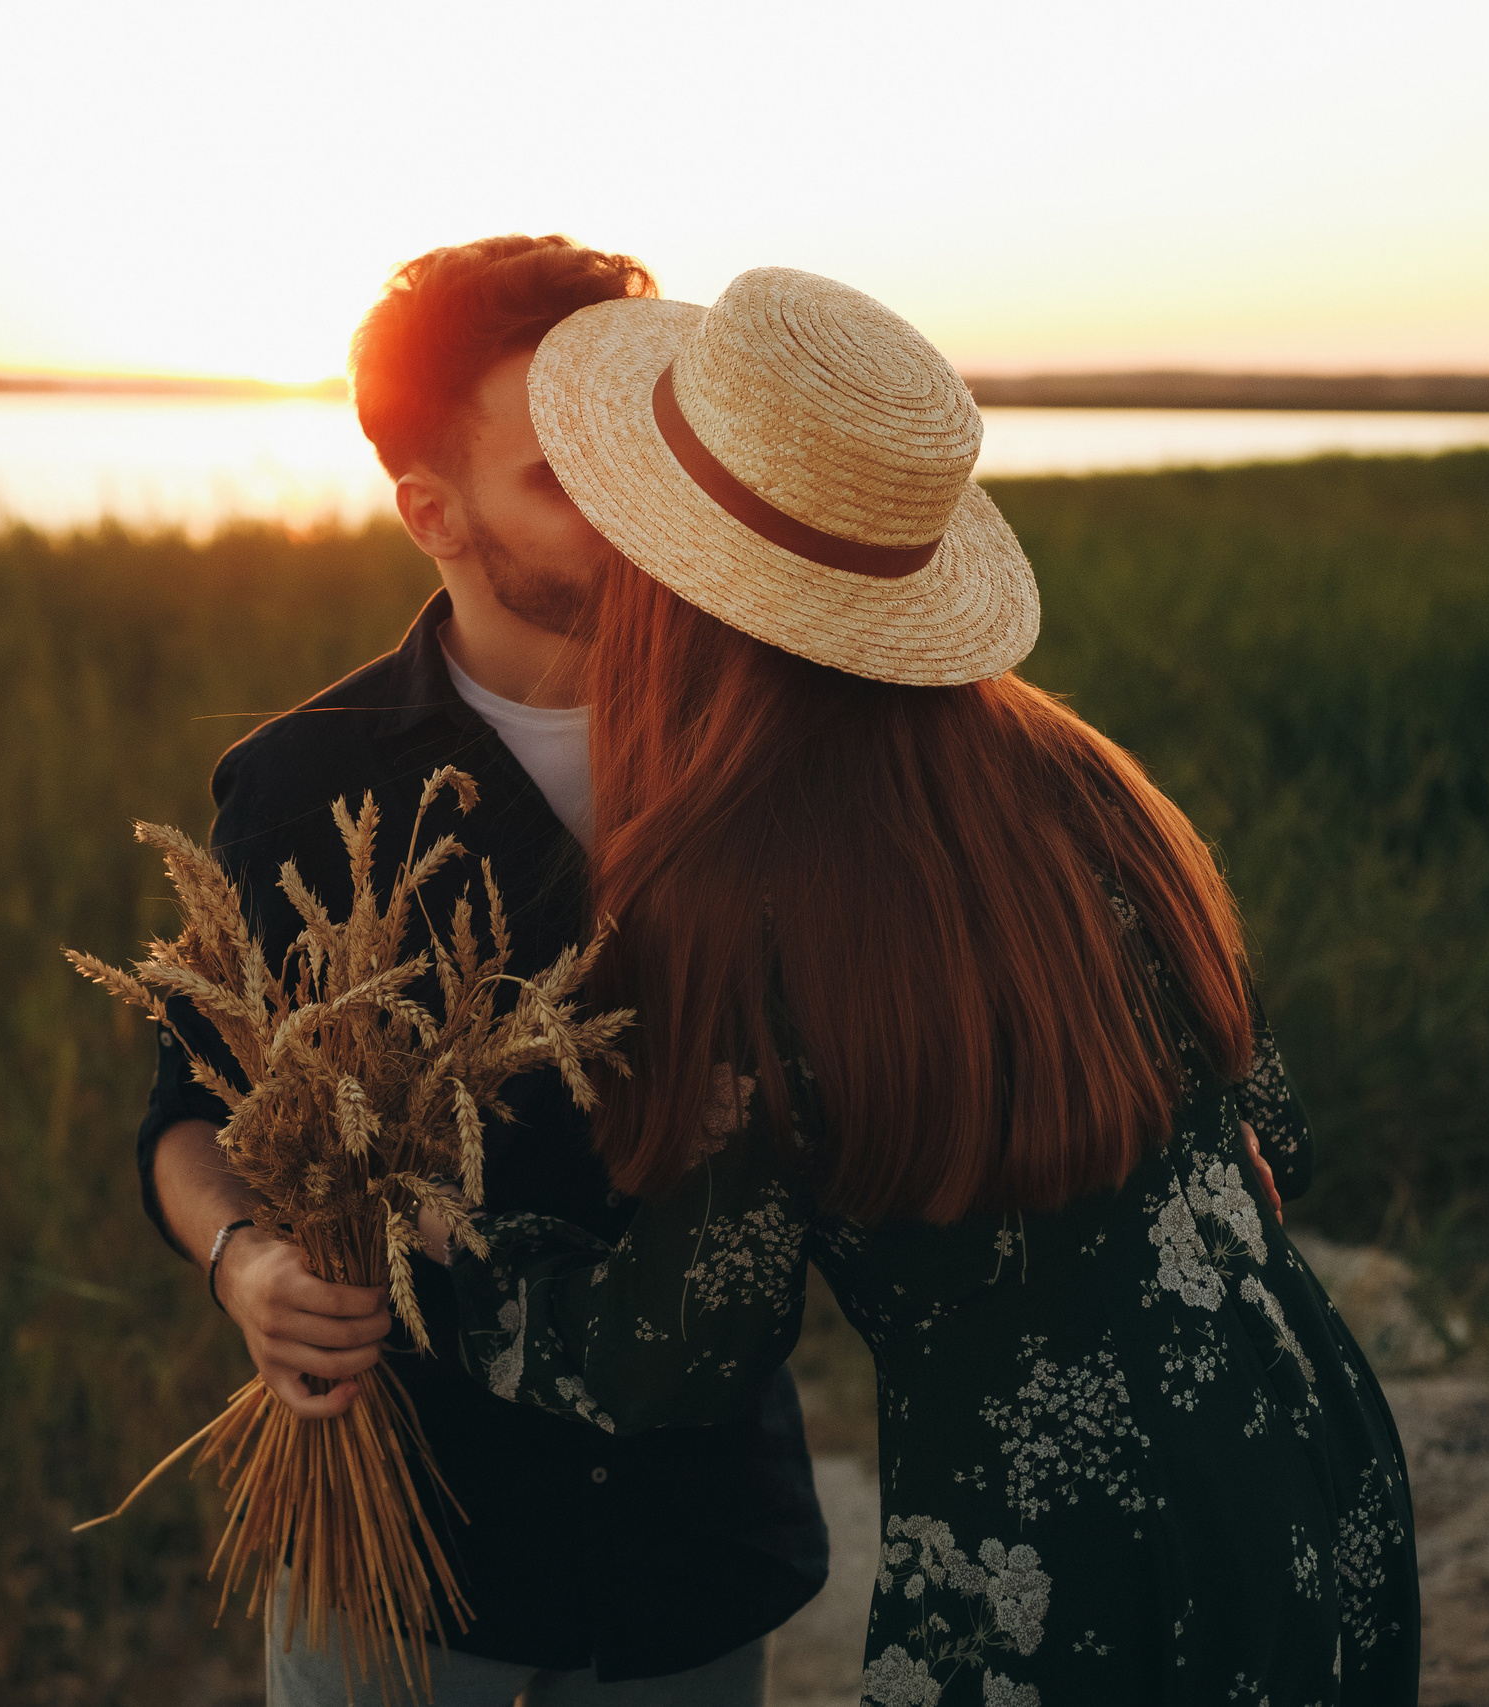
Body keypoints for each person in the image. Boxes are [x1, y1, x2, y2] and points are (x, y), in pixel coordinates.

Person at [416, 268, 1420, 1704]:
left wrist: (425, 1255)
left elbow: (679, 1355)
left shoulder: (726, 888)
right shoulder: (1082, 776)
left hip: (1060, 1542)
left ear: (673, 577)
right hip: (1304, 1437)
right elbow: (1281, 1142)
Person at [136, 236, 828, 1705]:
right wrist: (245, 1264)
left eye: (646, 455)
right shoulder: (301, 786)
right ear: (431, 512)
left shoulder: (774, 746)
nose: (638, 511)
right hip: (405, 1544)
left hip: (692, 1541)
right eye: (566, 479)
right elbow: (186, 1114)